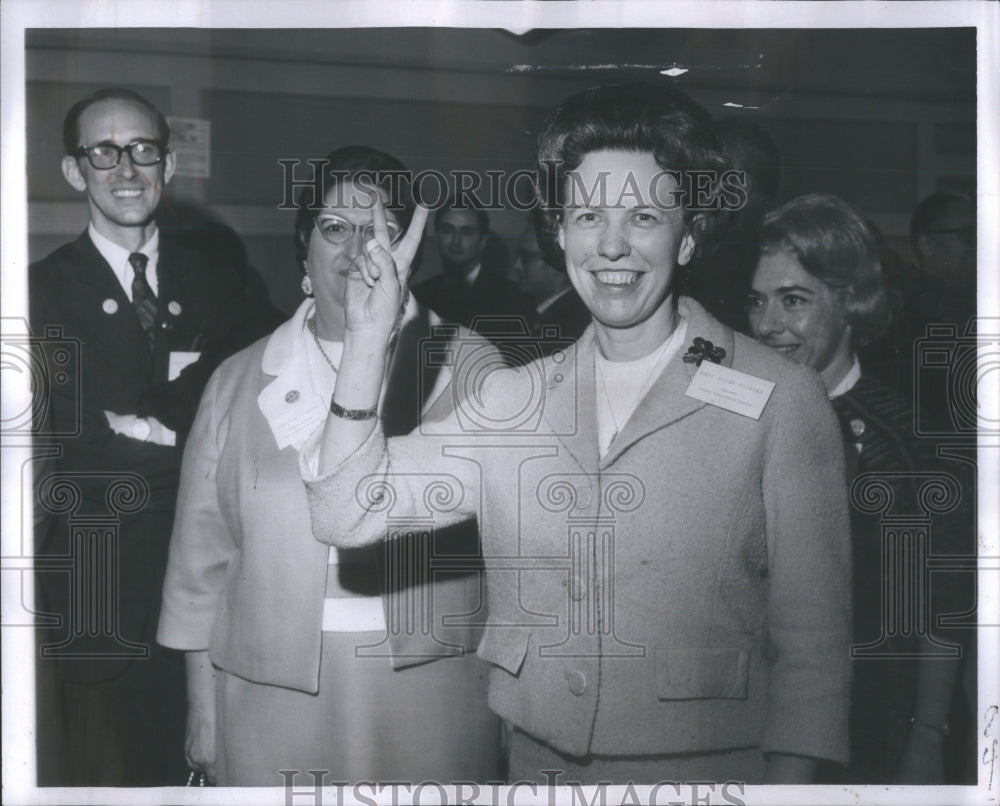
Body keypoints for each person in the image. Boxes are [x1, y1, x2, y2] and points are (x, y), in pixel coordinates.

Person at [302, 83, 852, 785]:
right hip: (539, 771)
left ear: (687, 234)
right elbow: (345, 510)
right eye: (587, 214)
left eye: (644, 215)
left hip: (715, 777)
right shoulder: (511, 400)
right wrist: (367, 338)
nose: (612, 245)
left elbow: (814, 646)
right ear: (559, 231)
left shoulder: (783, 399)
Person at [157, 146, 502, 786]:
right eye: (335, 228)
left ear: (409, 254)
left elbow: (517, 558)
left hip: (434, 684)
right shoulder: (235, 381)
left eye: (380, 232)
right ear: (304, 253)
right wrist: (201, 705)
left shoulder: (473, 368)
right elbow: (198, 566)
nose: (355, 251)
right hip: (268, 693)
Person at [29, 87, 274, 786]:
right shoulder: (35, 294)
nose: (127, 169)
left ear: (165, 164)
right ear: (76, 172)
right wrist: (195, 440)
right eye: (104, 153)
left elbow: (257, 414)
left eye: (143, 151)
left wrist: (150, 420)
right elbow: (74, 461)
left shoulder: (222, 280)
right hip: (104, 611)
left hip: (220, 603)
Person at [746, 193, 972, 783]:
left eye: (793, 300)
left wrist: (927, 741)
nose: (769, 324)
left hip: (868, 728)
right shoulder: (737, 414)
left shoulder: (908, 440)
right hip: (748, 725)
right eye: (758, 301)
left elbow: (941, 610)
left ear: (850, 302)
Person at [411, 198, 537, 358]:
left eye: (467, 232)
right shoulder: (419, 297)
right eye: (448, 230)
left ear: (482, 241)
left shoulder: (513, 301)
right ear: (436, 236)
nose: (456, 241)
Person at [508, 215, 590, 348]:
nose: (516, 266)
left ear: (557, 263)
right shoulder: (529, 310)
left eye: (526, 259)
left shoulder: (573, 323)